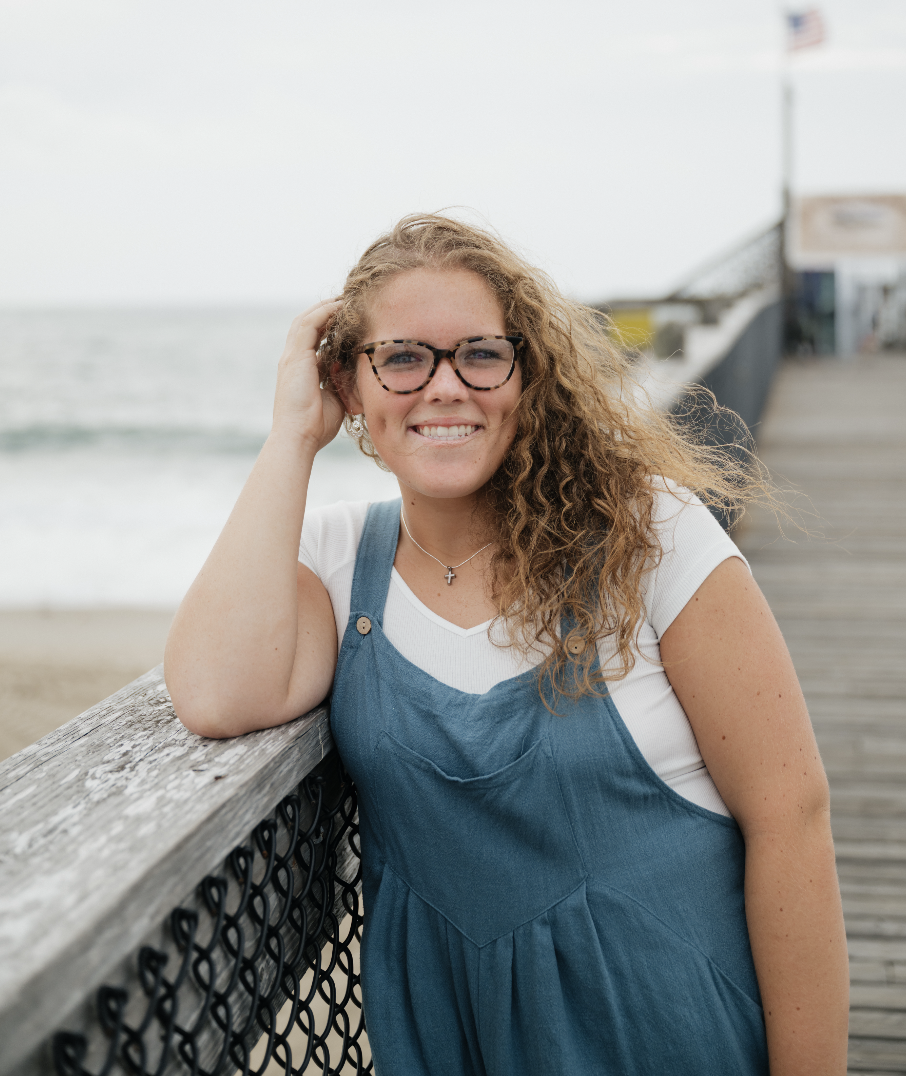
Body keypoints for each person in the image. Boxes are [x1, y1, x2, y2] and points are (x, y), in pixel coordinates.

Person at [165, 214, 849, 1075]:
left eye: (481, 354)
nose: (445, 387)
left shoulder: (653, 536)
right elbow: (217, 694)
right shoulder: (338, 561)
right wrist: (290, 437)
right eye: (403, 358)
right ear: (351, 379)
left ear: (527, 371)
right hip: (458, 1046)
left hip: (665, 1032)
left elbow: (790, 817)